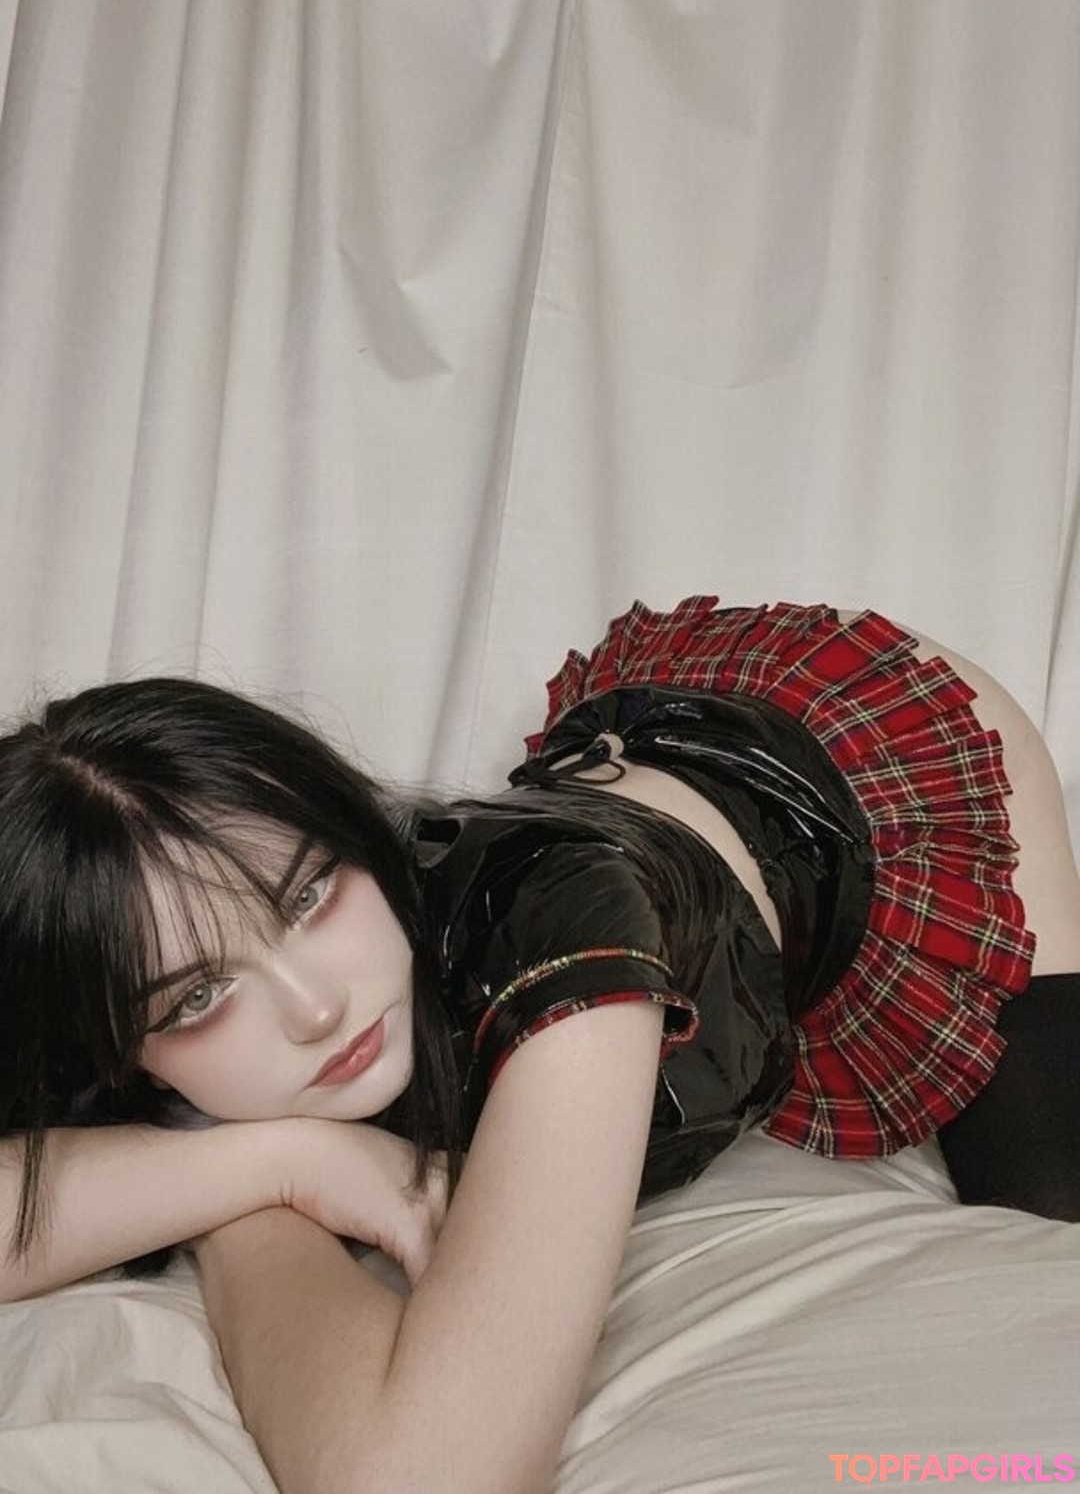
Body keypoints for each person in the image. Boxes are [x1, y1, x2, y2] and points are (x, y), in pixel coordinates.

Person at [1, 596, 1079, 1494]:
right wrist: (274, 1166)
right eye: (198, 996)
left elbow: (425, 1477)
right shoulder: (117, 988)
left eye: (312, 892)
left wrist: (231, 1206)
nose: (315, 1008)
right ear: (114, 1046)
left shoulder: (565, 936)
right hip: (640, 812)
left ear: (354, 826)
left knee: (1052, 1217)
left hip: (884, 763)